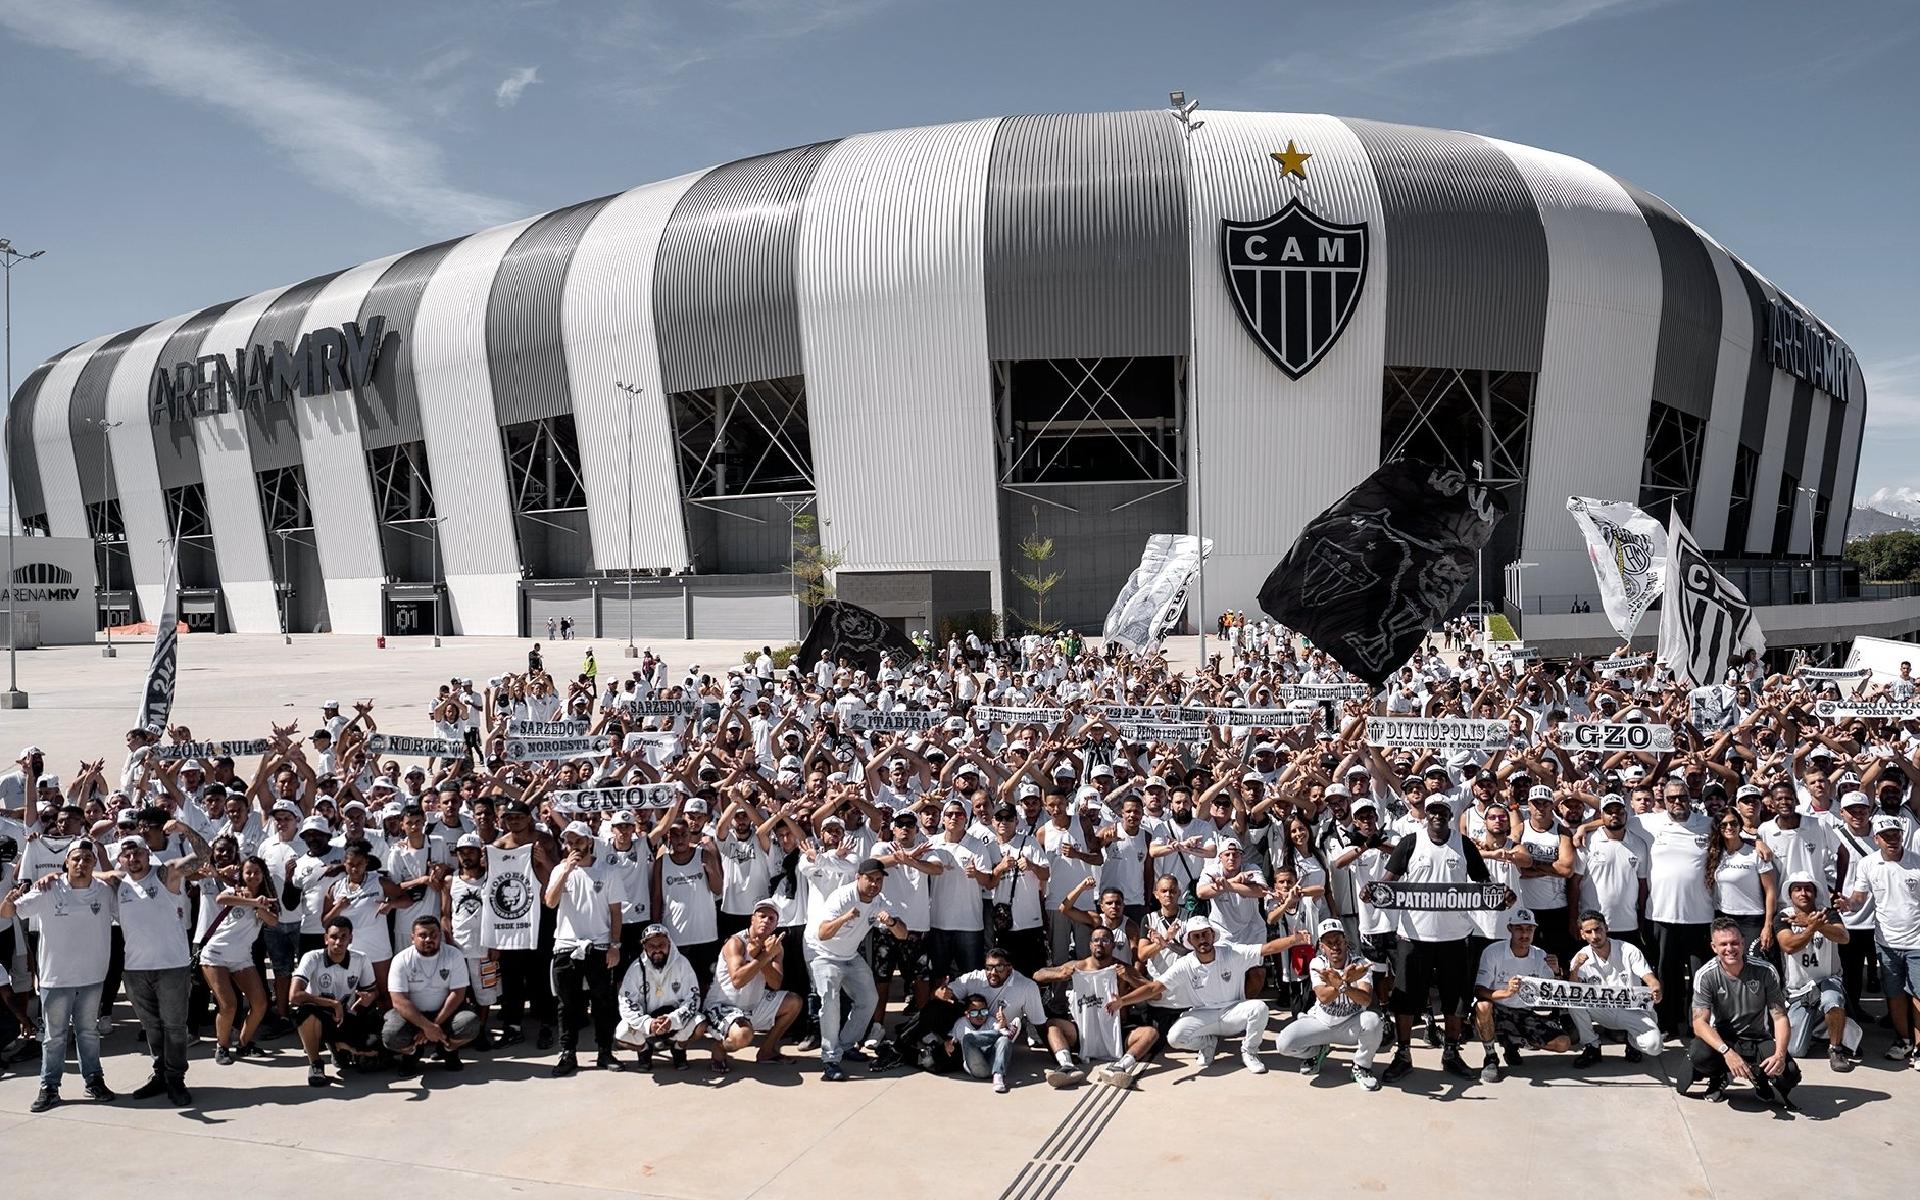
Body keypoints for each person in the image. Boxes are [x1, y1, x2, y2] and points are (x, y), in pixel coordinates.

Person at [1379, 797, 1493, 1082]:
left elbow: (1484, 883)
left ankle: (1451, 1053)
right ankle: (1403, 1054)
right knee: (1405, 998)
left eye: (1443, 811)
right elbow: (1387, 881)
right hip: (1413, 936)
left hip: (1455, 937)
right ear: (1426, 814)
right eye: (1433, 811)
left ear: (1451, 814)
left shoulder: (1464, 844)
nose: (1438, 816)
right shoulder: (1409, 842)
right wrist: (1375, 892)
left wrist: (1500, 896)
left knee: (1455, 1000)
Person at [2, 838, 117, 1112]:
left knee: (88, 1032)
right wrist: (9, 900)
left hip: (92, 977)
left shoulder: (103, 891)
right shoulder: (48, 888)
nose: (81, 863)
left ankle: (94, 1081)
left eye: (87, 859)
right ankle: (49, 1088)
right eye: (76, 858)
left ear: (94, 864)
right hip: (56, 978)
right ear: (66, 861)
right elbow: (8, 913)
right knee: (54, 1037)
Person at [1127, 915, 1310, 1073]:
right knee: (1175, 1037)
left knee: (1259, 1008)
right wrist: (1122, 1001)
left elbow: (1267, 949)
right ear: (1190, 941)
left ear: (1213, 935)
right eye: (1196, 936)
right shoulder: (1185, 964)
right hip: (1203, 1014)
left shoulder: (1232, 952)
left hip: (1233, 1012)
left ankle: (1250, 1051)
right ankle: (1207, 1044)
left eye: (1205, 934)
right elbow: (1154, 988)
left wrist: (1293, 940)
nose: (1202, 940)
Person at [102, 831, 198, 1105]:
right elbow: (93, 875)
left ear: (148, 854)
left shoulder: (165, 874)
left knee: (175, 1027)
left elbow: (202, 857)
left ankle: (176, 1079)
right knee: (152, 1027)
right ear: (121, 859)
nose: (133, 859)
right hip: (135, 970)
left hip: (172, 967)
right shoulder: (119, 882)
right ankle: (161, 1075)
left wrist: (185, 827)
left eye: (138, 853)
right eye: (127, 855)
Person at [1679, 917, 1799, 1110]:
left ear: (1743, 943)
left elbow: (1779, 1016)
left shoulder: (1765, 971)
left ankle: (1758, 1078)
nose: (1730, 949)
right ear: (1713, 947)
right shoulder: (1705, 974)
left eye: (1735, 943)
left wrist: (1780, 1054)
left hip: (1757, 1038)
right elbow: (1699, 1023)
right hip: (1724, 1038)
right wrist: (1727, 1052)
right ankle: (1719, 1076)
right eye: (1723, 944)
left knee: (1789, 1073)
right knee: (1699, 1054)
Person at [807, 856, 909, 1081]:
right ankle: (830, 1060)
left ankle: (845, 1045)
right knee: (830, 1003)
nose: (874, 884)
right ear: (858, 878)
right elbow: (823, 934)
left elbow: (903, 934)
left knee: (869, 999)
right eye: (870, 879)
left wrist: (891, 923)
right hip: (822, 953)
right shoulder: (842, 896)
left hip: (849, 955)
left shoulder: (879, 901)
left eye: (879, 880)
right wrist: (845, 918)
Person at [545, 820, 626, 1076]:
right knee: (567, 1004)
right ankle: (568, 1053)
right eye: (568, 842)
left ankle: (604, 1051)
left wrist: (615, 945)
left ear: (589, 842)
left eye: (578, 841)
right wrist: (566, 872)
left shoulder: (608, 871)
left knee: (603, 1001)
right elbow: (550, 902)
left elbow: (615, 912)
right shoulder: (560, 869)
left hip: (599, 946)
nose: (573, 846)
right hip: (566, 946)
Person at [1840, 814, 1920, 1064]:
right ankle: (1904, 1041)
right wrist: (1847, 904)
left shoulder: (1917, 862)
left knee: (1919, 996)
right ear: (1877, 839)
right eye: (1886, 836)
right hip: (1886, 944)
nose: (1892, 840)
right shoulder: (1868, 864)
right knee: (1894, 995)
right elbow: (1858, 899)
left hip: (1918, 942)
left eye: (1896, 835)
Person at [1272, 918, 1385, 1090]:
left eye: (1338, 941)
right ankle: (1317, 1051)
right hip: (1321, 1022)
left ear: (1345, 941)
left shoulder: (1360, 963)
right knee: (1283, 1043)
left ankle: (1361, 1066)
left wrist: (1340, 984)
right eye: (1329, 942)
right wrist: (1345, 982)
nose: (1335, 947)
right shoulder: (1317, 963)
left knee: (1373, 1021)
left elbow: (1366, 999)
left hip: (1350, 1025)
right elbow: (1324, 997)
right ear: (1321, 946)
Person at [1471, 907, 1574, 1083]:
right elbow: (1478, 990)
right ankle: (1490, 1057)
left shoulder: (1540, 955)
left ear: (1535, 930)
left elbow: (1552, 993)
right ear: (1510, 929)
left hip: (1524, 1012)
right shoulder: (1493, 952)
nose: (1524, 934)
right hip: (1498, 1008)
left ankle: (1513, 1042)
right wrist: (1505, 993)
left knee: (1563, 1043)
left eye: (1529, 929)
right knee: (1483, 1006)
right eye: (1519, 928)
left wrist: (1557, 972)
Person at [705, 898, 802, 1069]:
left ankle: (767, 1051)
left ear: (776, 924)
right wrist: (764, 957)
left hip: (754, 1004)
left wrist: (762, 955)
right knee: (742, 1036)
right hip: (724, 1006)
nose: (766, 921)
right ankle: (720, 1047)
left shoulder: (775, 947)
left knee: (793, 1002)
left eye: (771, 919)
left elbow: (776, 983)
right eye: (762, 916)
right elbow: (738, 980)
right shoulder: (736, 942)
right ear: (752, 919)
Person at [201, 853, 279, 1065]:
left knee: (260, 1003)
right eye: (248, 872)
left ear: (263, 876)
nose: (253, 876)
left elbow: (273, 921)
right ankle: (222, 1047)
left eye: (257, 872)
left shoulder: (266, 900)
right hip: (215, 955)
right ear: (242, 874)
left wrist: (260, 908)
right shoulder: (234, 891)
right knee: (228, 1005)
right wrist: (252, 901)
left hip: (242, 958)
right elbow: (221, 899)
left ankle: (244, 1043)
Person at [1773, 874, 1856, 1071]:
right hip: (1799, 989)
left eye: (1808, 888)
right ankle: (1824, 1029)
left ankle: (1836, 1048)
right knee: (1795, 1050)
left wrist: (1820, 925)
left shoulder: (1827, 913)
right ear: (1790, 893)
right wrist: (1810, 928)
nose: (1803, 893)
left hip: (1828, 979)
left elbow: (1844, 937)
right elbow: (1788, 946)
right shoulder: (1783, 916)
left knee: (1832, 1000)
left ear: (1815, 892)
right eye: (1797, 889)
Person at [383, 915, 482, 1073]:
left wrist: (431, 1027)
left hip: (446, 1013)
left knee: (469, 1023)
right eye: (422, 935)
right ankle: (412, 1055)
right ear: (412, 938)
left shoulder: (454, 955)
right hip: (412, 1016)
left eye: (433, 935)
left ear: (440, 936)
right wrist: (426, 1026)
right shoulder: (400, 960)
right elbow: (399, 1001)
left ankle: (448, 1051)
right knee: (391, 1035)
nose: (429, 939)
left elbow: (457, 994)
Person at [288, 916, 379, 1086]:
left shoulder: (361, 959)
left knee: (373, 1050)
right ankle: (315, 1063)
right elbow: (294, 995)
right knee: (305, 1013)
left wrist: (369, 997)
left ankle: (339, 1046)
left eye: (344, 936)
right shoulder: (312, 958)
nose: (338, 942)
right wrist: (332, 1004)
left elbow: (373, 991)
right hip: (320, 1017)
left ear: (351, 938)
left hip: (346, 1017)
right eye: (334, 937)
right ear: (326, 938)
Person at [1566, 910, 1663, 1064]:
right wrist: (1575, 969)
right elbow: (1571, 991)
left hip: (1631, 1010)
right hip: (1601, 1009)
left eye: (1598, 929)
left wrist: (1655, 987)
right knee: (1573, 1001)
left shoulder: (1628, 950)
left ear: (1606, 928)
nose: (1594, 936)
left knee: (1654, 1046)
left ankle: (1633, 1044)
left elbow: (1648, 977)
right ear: (1582, 934)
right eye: (1588, 932)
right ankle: (1592, 1046)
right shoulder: (1580, 958)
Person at [614, 924, 707, 1070]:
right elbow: (626, 1003)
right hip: (648, 1024)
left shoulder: (682, 964)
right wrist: (648, 1024)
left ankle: (678, 1048)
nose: (657, 949)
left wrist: (672, 1020)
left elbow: (693, 998)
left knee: (700, 1024)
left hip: (676, 1021)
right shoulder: (635, 969)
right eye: (651, 945)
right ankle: (645, 1051)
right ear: (645, 947)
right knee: (621, 1034)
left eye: (662, 944)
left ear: (669, 943)